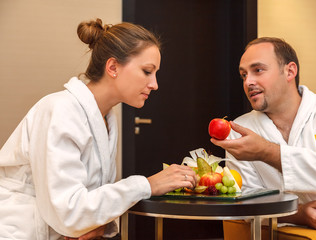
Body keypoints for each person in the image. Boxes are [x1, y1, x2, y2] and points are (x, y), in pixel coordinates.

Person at [0, 18, 196, 239]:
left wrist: (97, 225)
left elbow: (90, 203)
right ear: (112, 67)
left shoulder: (106, 120)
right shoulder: (59, 110)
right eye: (147, 71)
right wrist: (147, 185)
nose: (155, 84)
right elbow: (69, 212)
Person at [211, 37, 316, 239]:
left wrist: (267, 152)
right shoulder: (241, 129)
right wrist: (299, 215)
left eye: (258, 70)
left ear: (290, 71)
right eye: (243, 75)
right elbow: (244, 201)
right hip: (285, 230)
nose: (248, 82)